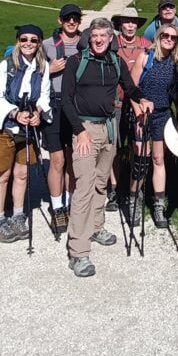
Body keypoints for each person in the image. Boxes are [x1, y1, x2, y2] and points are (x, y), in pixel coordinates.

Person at [61, 17, 152, 277]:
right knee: (85, 187)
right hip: (85, 130)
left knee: (102, 181)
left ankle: (96, 226)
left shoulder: (115, 61)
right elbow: (66, 101)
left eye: (104, 35)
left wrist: (142, 99)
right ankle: (78, 251)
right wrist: (79, 132)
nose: (99, 39)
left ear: (111, 38)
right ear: (89, 38)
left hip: (109, 127)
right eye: (95, 35)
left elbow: (130, 87)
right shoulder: (76, 63)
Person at [0, 24, 51, 243]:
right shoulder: (6, 65)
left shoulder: (42, 67)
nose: (28, 43)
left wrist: (39, 112)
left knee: (22, 174)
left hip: (28, 127)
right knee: (3, 174)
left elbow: (44, 95)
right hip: (7, 127)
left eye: (33, 40)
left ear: (39, 44)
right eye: (24, 39)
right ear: (18, 41)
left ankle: (18, 215)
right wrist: (15, 113)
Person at [130, 24, 178, 229]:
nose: (169, 39)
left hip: (162, 113)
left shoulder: (175, 62)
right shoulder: (146, 57)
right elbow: (132, 88)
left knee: (158, 159)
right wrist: (138, 114)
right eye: (165, 35)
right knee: (141, 159)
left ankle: (159, 204)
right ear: (158, 36)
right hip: (142, 113)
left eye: (173, 37)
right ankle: (134, 198)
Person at [42, 3, 83, 235]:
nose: (71, 22)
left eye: (75, 18)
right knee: (57, 159)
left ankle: (70, 203)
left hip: (76, 105)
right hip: (55, 104)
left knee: (72, 157)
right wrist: (49, 68)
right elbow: (34, 74)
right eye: (67, 18)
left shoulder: (84, 44)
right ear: (60, 21)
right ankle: (57, 207)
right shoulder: (48, 45)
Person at [108, 7, 150, 211]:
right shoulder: (112, 44)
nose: (130, 25)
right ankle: (114, 190)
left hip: (138, 105)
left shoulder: (146, 45)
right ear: (120, 24)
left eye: (133, 22)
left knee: (138, 147)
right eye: (126, 21)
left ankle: (136, 188)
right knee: (113, 149)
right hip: (115, 102)